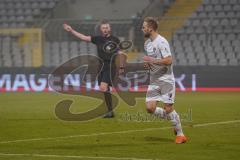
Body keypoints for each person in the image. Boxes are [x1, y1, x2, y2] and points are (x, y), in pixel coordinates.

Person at [63, 20, 127, 118]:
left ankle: (110, 111)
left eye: (107, 28)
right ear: (101, 29)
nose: (105, 29)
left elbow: (121, 54)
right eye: (103, 28)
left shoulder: (115, 40)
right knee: (104, 89)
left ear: (109, 29)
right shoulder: (98, 39)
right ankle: (110, 111)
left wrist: (121, 66)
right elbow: (83, 37)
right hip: (100, 66)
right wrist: (71, 30)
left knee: (103, 87)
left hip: (110, 66)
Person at [142, 17, 187, 144]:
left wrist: (152, 61)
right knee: (150, 108)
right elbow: (154, 61)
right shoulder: (147, 44)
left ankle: (180, 134)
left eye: (144, 27)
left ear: (150, 28)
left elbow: (168, 60)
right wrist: (149, 65)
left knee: (168, 108)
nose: (142, 29)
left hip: (166, 80)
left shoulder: (161, 42)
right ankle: (174, 120)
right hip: (154, 80)